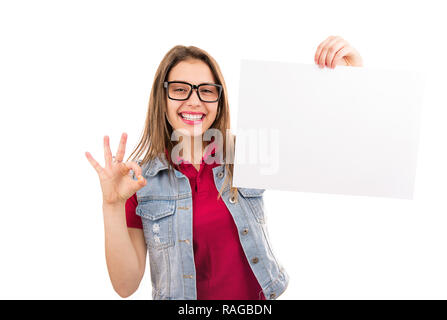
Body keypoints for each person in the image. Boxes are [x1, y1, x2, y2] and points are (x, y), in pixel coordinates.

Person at [85, 35, 363, 300]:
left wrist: (352, 78)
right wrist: (111, 205)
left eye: (206, 91)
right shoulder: (138, 182)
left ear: (219, 100)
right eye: (180, 89)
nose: (194, 101)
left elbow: (329, 150)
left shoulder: (247, 155)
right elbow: (125, 285)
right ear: (163, 97)